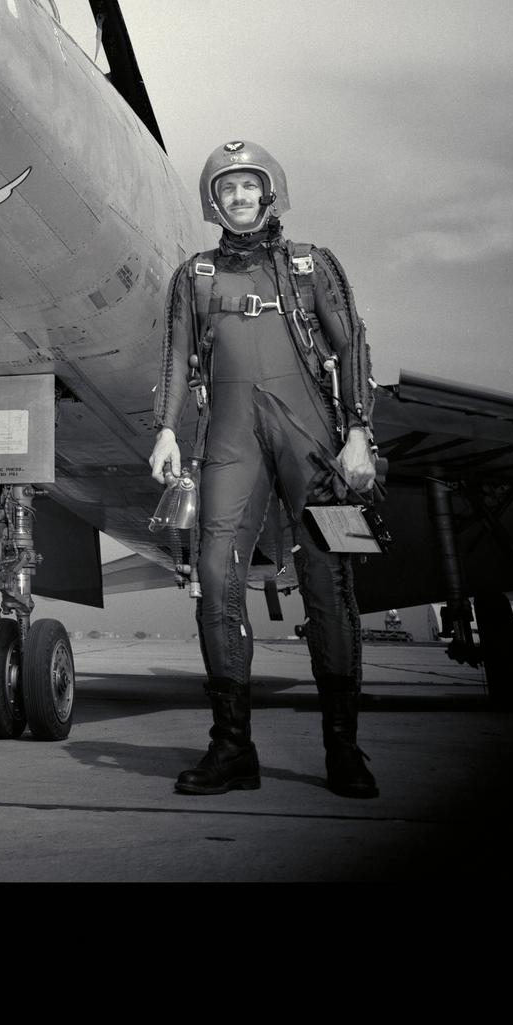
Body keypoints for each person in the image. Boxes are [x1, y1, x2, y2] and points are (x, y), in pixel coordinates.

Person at [150, 140, 380, 799]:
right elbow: (173, 357)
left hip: (318, 444)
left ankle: (345, 751)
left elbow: (354, 341)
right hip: (228, 440)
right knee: (216, 576)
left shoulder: (312, 264)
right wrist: (165, 429)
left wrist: (359, 430)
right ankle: (232, 751)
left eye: (249, 187)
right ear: (213, 202)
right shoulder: (192, 276)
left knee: (331, 581)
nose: (240, 197)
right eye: (228, 190)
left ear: (269, 192)